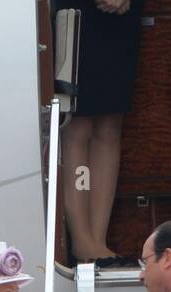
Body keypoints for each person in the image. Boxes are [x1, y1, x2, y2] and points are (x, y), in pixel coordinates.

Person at [54, 0, 143, 265]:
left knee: (110, 124)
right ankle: (82, 240)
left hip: (123, 13)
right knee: (78, 121)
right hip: (78, 11)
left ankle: (98, 240)